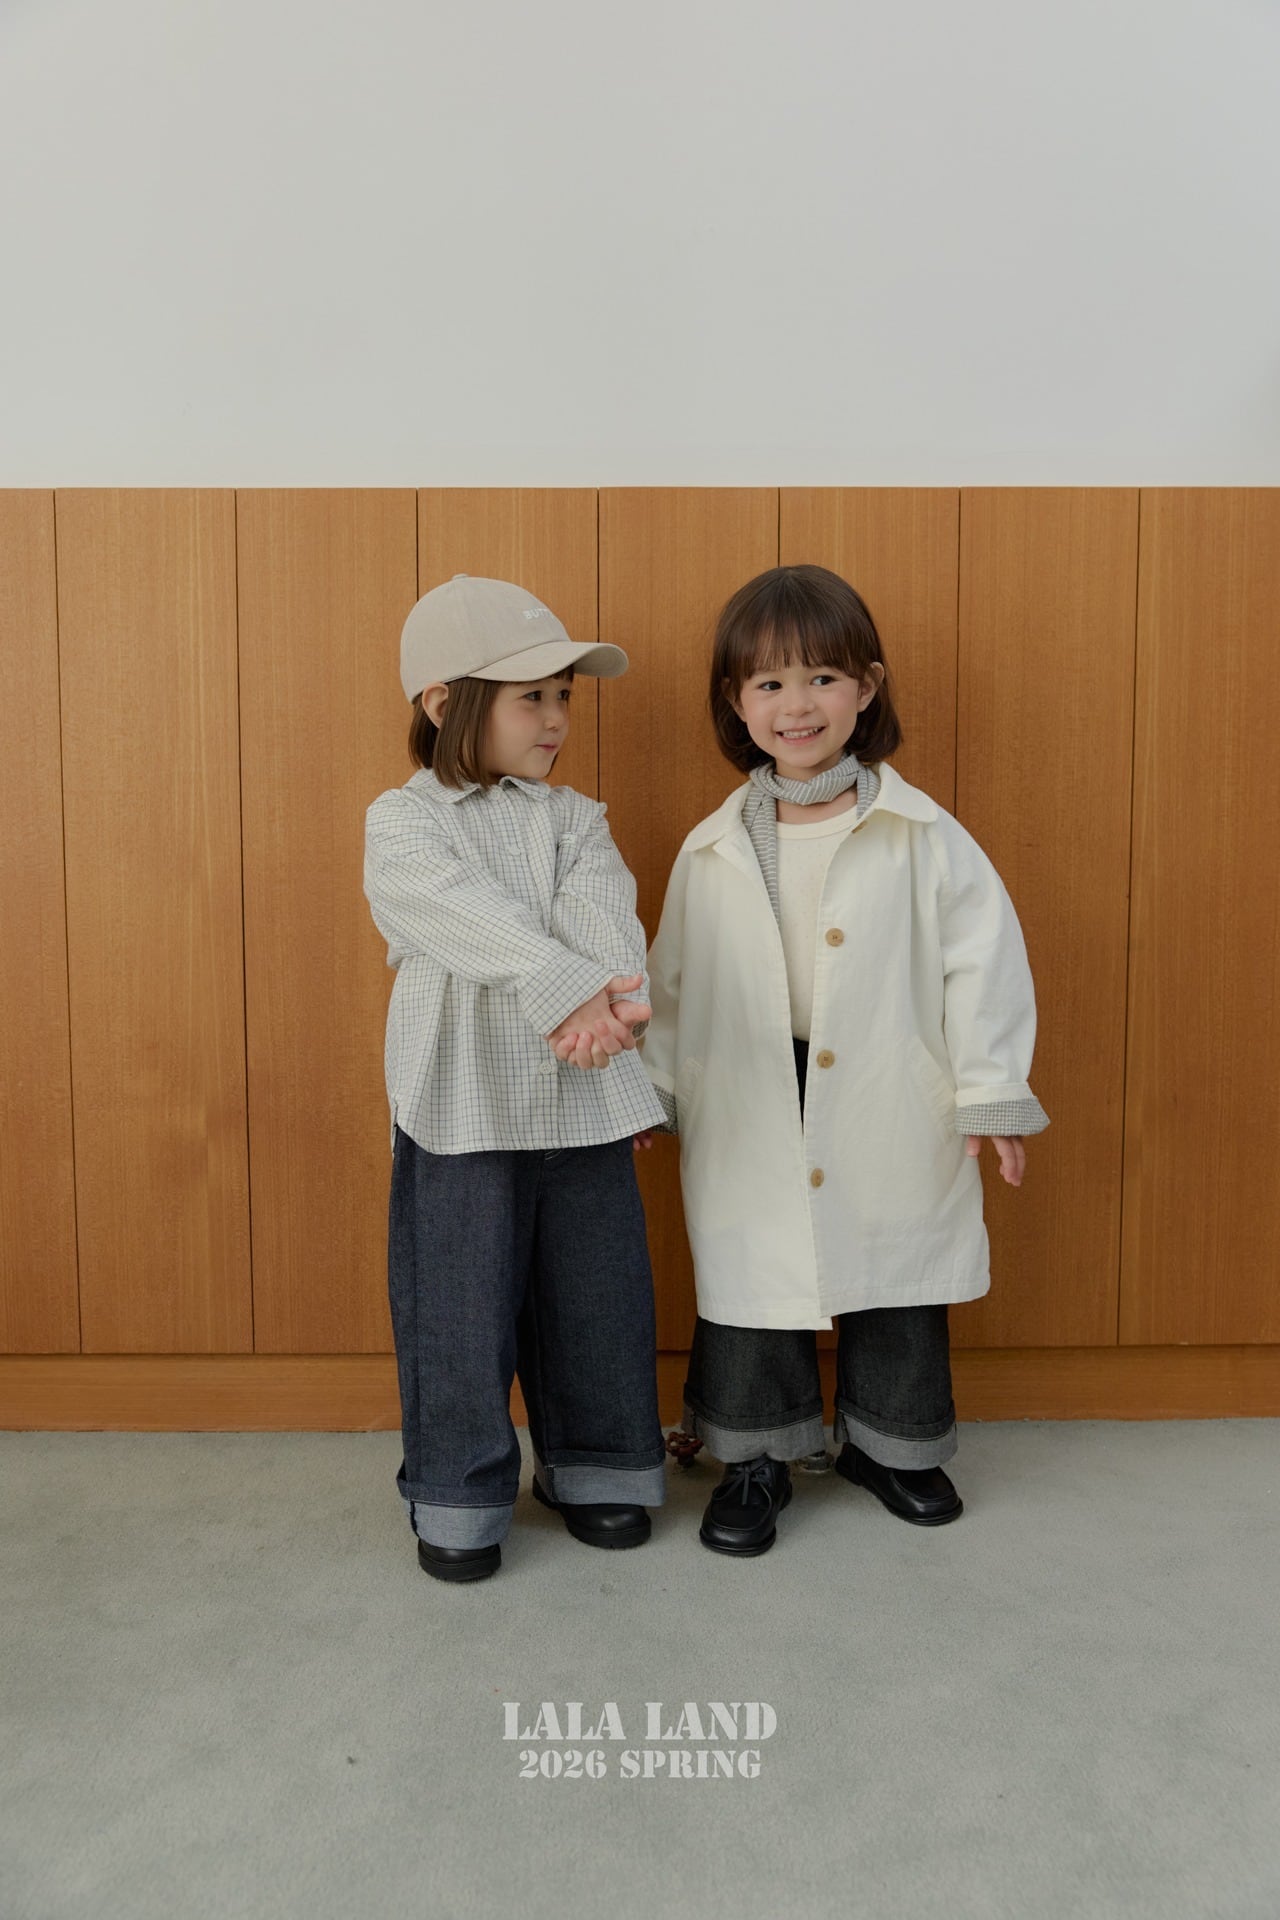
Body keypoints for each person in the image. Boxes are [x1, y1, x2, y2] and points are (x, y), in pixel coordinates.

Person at [629, 563, 1049, 1556]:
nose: (797, 705)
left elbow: (982, 962)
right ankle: (755, 1452)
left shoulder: (922, 835)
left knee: (894, 1267)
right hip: (751, 1086)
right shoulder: (712, 848)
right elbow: (673, 977)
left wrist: (989, 1090)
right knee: (751, 1271)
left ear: (867, 688)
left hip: (884, 1085)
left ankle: (891, 1446)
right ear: (736, 703)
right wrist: (654, 1088)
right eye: (769, 683)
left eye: (821, 678)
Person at [364, 574, 668, 1583]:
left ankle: (600, 1465)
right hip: (460, 1105)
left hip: (583, 1095)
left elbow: (604, 917)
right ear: (443, 702)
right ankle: (458, 1492)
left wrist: (601, 1003)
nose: (556, 719)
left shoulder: (575, 818)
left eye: (564, 697)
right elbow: (458, 915)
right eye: (531, 696)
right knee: (457, 1307)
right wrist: (573, 994)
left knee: (597, 1295)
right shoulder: (403, 822)